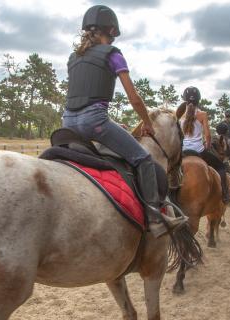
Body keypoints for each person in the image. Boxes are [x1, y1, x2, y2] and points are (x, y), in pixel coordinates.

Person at [62, 5, 187, 237]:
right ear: (111, 31)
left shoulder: (73, 58)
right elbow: (135, 99)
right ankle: (155, 219)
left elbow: (83, 97)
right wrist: (146, 123)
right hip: (94, 122)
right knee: (144, 159)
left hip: (68, 122)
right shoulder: (113, 54)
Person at [177, 86, 230, 204]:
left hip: (183, 151)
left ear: (185, 100)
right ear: (199, 99)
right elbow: (208, 135)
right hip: (199, 151)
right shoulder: (202, 114)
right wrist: (207, 146)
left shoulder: (180, 116)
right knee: (221, 167)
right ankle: (225, 195)